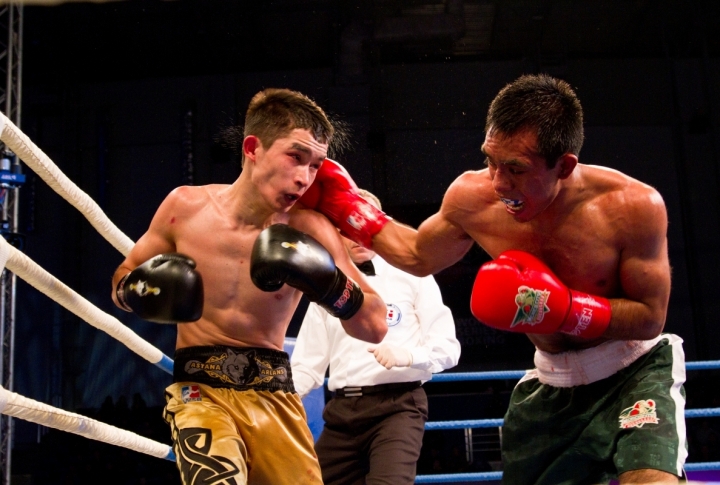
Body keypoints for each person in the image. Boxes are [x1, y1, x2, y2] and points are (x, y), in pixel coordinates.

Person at [299, 74, 686, 484]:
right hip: (552, 380)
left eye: (516, 168)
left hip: (632, 370)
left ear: (565, 165)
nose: (499, 182)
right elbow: (415, 254)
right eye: (490, 160)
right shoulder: (474, 197)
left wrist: (567, 309)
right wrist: (341, 202)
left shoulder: (631, 207)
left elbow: (649, 317)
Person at [110, 88, 388, 485]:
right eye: (296, 156)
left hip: (275, 395)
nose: (303, 178)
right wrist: (140, 290)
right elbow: (122, 280)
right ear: (253, 147)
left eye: (315, 166)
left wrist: (330, 287)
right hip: (200, 392)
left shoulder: (310, 229)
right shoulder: (184, 208)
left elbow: (375, 325)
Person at [291, 189, 461, 485]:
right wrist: (278, 397)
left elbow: (448, 348)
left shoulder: (414, 274)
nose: (358, 237)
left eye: (364, 227)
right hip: (342, 414)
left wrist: (408, 356)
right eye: (348, 228)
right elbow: (308, 365)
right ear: (337, 232)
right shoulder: (326, 285)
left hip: (398, 407)